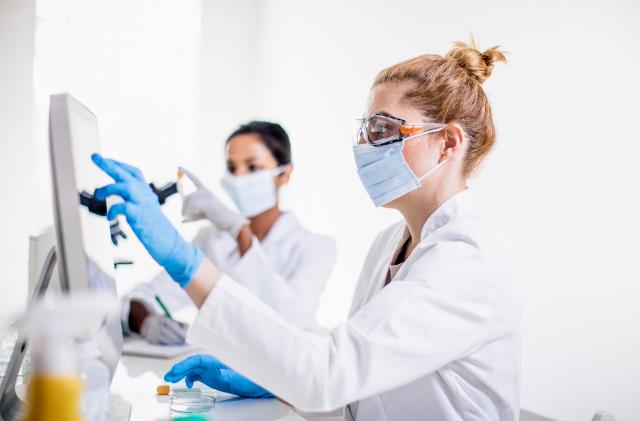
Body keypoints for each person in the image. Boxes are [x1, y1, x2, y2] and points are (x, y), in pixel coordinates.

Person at [93, 40, 521, 420]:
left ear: (448, 143)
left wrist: (184, 261)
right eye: (364, 130)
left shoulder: (468, 257)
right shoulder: (390, 244)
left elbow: (330, 373)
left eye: (383, 130)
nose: (363, 148)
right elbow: (358, 389)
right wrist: (273, 380)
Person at [122, 121, 336, 345]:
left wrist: (241, 233)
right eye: (232, 168)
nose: (239, 178)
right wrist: (147, 322)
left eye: (252, 167)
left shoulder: (316, 247)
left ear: (284, 173)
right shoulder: (212, 240)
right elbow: (142, 298)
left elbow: (289, 323)